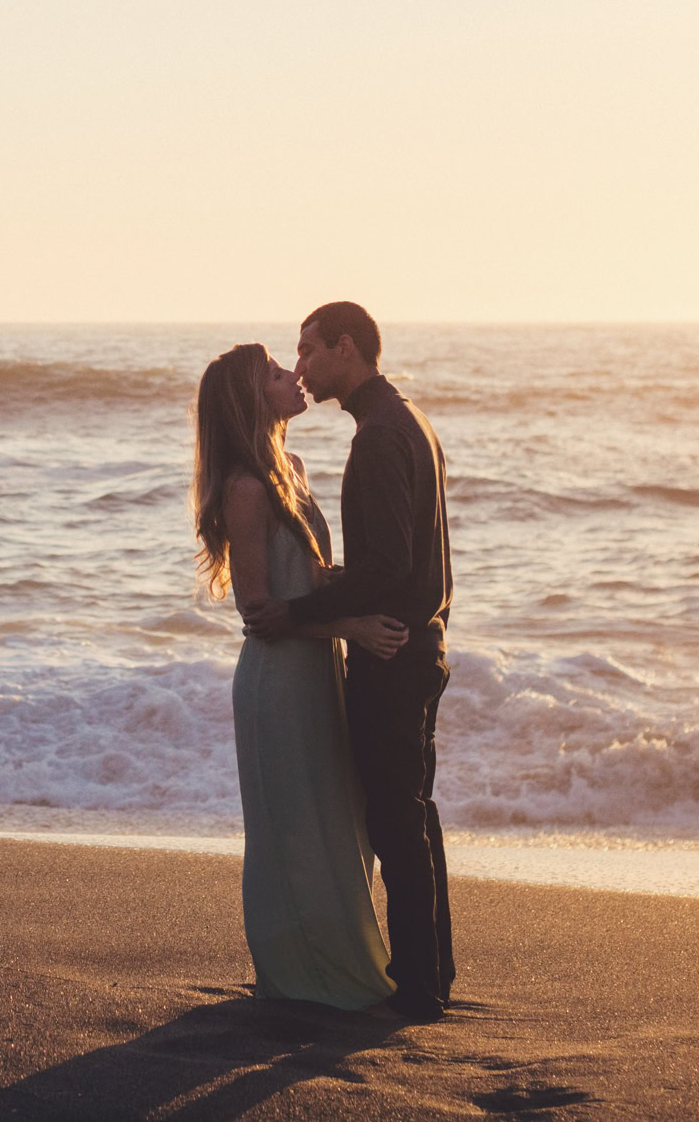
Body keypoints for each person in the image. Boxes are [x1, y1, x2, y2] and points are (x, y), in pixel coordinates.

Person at [243, 302, 455, 1022]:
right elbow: (393, 558)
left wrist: (300, 610)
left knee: (396, 820)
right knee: (412, 813)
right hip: (421, 641)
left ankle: (419, 986)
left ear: (344, 347)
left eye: (307, 350)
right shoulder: (406, 420)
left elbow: (391, 563)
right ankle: (433, 970)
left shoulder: (378, 437)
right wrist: (338, 580)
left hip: (392, 650)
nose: (300, 365)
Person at [191, 342, 409, 1014]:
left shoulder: (291, 467)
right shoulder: (245, 487)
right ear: (251, 398)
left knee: (338, 815)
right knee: (293, 827)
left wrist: (384, 581)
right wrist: (351, 628)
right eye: (279, 375)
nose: (296, 378)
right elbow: (258, 611)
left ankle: (344, 958)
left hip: (318, 675)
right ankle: (298, 975)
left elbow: (309, 580)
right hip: (276, 682)